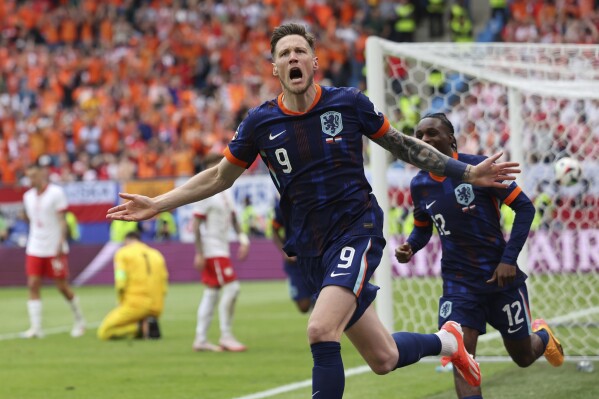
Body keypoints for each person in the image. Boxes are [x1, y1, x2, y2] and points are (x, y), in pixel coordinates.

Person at [107, 23, 521, 398]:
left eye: (299, 51)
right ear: (274, 68)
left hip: (356, 230)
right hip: (310, 248)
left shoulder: (349, 104)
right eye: (284, 54)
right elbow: (219, 177)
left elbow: (403, 145)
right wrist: (158, 203)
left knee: (321, 329)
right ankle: (451, 343)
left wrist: (465, 171)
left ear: (314, 61)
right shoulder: (260, 124)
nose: (293, 58)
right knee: (384, 358)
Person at [394, 113, 564, 399]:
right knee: (461, 353)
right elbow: (423, 229)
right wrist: (411, 245)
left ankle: (543, 335)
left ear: (451, 137)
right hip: (458, 283)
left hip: (499, 277)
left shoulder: (479, 167)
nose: (425, 140)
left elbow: (525, 209)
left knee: (523, 356)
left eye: (433, 133)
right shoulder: (419, 184)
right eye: (420, 135)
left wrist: (509, 260)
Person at [191, 152, 250, 352]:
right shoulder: (205, 191)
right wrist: (199, 252)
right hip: (212, 248)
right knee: (233, 288)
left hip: (222, 247)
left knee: (211, 293)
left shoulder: (226, 190)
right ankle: (226, 336)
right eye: (216, 165)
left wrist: (243, 240)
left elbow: (234, 218)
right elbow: (196, 225)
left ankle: (200, 338)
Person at [21, 156, 86, 338]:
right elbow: (33, 220)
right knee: (33, 284)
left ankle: (79, 320)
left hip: (53, 247)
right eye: (28, 177)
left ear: (42, 175)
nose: (31, 180)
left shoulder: (56, 193)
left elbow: (62, 221)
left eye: (34, 176)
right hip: (35, 246)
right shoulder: (27, 197)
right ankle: (36, 328)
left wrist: (60, 242)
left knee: (62, 287)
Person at [97, 230, 169, 340]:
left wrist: (120, 301)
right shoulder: (157, 254)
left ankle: (140, 328)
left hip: (135, 304)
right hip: (157, 306)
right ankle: (148, 321)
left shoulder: (123, 253)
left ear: (126, 241)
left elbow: (120, 281)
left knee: (105, 332)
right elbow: (164, 284)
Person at [272, 201, 313, 313]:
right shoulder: (282, 205)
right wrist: (284, 251)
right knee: (303, 306)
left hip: (315, 256)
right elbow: (274, 230)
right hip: (295, 261)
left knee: (321, 298)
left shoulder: (317, 197)